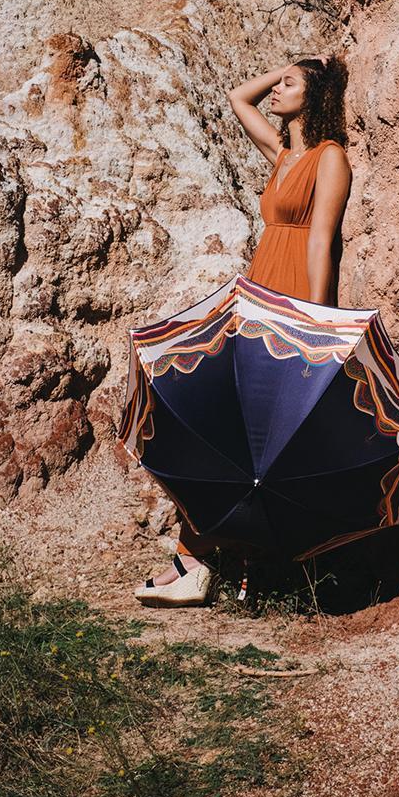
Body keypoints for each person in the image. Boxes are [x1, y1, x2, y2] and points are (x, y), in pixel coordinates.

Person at [134, 53, 352, 606]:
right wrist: (289, 65)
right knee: (234, 431)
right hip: (260, 287)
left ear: (317, 96)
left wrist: (319, 326)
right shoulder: (281, 156)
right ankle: (197, 561)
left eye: (290, 85)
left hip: (295, 298)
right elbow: (237, 98)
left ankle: (231, 563)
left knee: (275, 435)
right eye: (278, 84)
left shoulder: (330, 158)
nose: (277, 91)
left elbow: (322, 240)